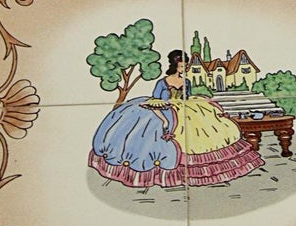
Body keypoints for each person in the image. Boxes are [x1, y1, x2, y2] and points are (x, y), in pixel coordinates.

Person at [90, 51, 261, 190]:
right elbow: (155, 103)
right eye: (181, 66)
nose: (184, 68)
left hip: (187, 110)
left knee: (208, 129)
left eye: (185, 66)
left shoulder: (186, 81)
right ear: (174, 66)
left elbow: (188, 97)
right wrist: (164, 121)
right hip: (163, 110)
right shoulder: (162, 82)